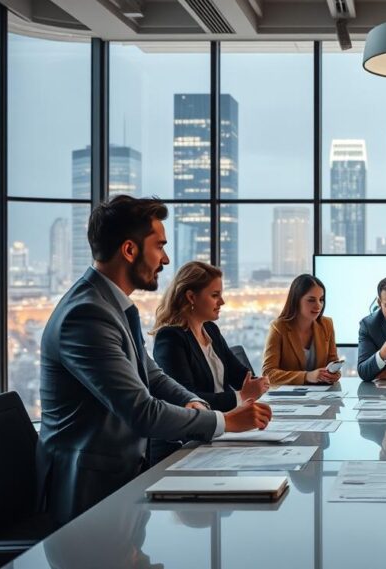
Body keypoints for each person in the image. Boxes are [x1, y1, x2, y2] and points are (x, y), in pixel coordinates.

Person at [35, 196, 271, 526]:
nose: (166, 258)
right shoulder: (86, 315)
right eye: (159, 246)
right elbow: (141, 411)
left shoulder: (110, 306)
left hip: (123, 480)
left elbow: (152, 374)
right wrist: (226, 421)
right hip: (90, 496)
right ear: (130, 251)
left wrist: (193, 402)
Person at [150, 261, 270, 462]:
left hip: (217, 436)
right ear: (191, 297)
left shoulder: (211, 330)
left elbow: (240, 375)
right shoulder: (170, 338)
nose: (222, 302)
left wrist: (258, 383)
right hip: (184, 447)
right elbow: (186, 398)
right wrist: (241, 397)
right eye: (215, 295)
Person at [262, 274, 341, 385]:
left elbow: (333, 362)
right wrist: (307, 376)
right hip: (288, 397)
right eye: (311, 300)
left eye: (321, 300)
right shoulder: (278, 328)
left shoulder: (326, 324)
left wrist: (333, 374)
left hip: (320, 395)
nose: (318, 306)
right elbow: (268, 374)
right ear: (296, 301)